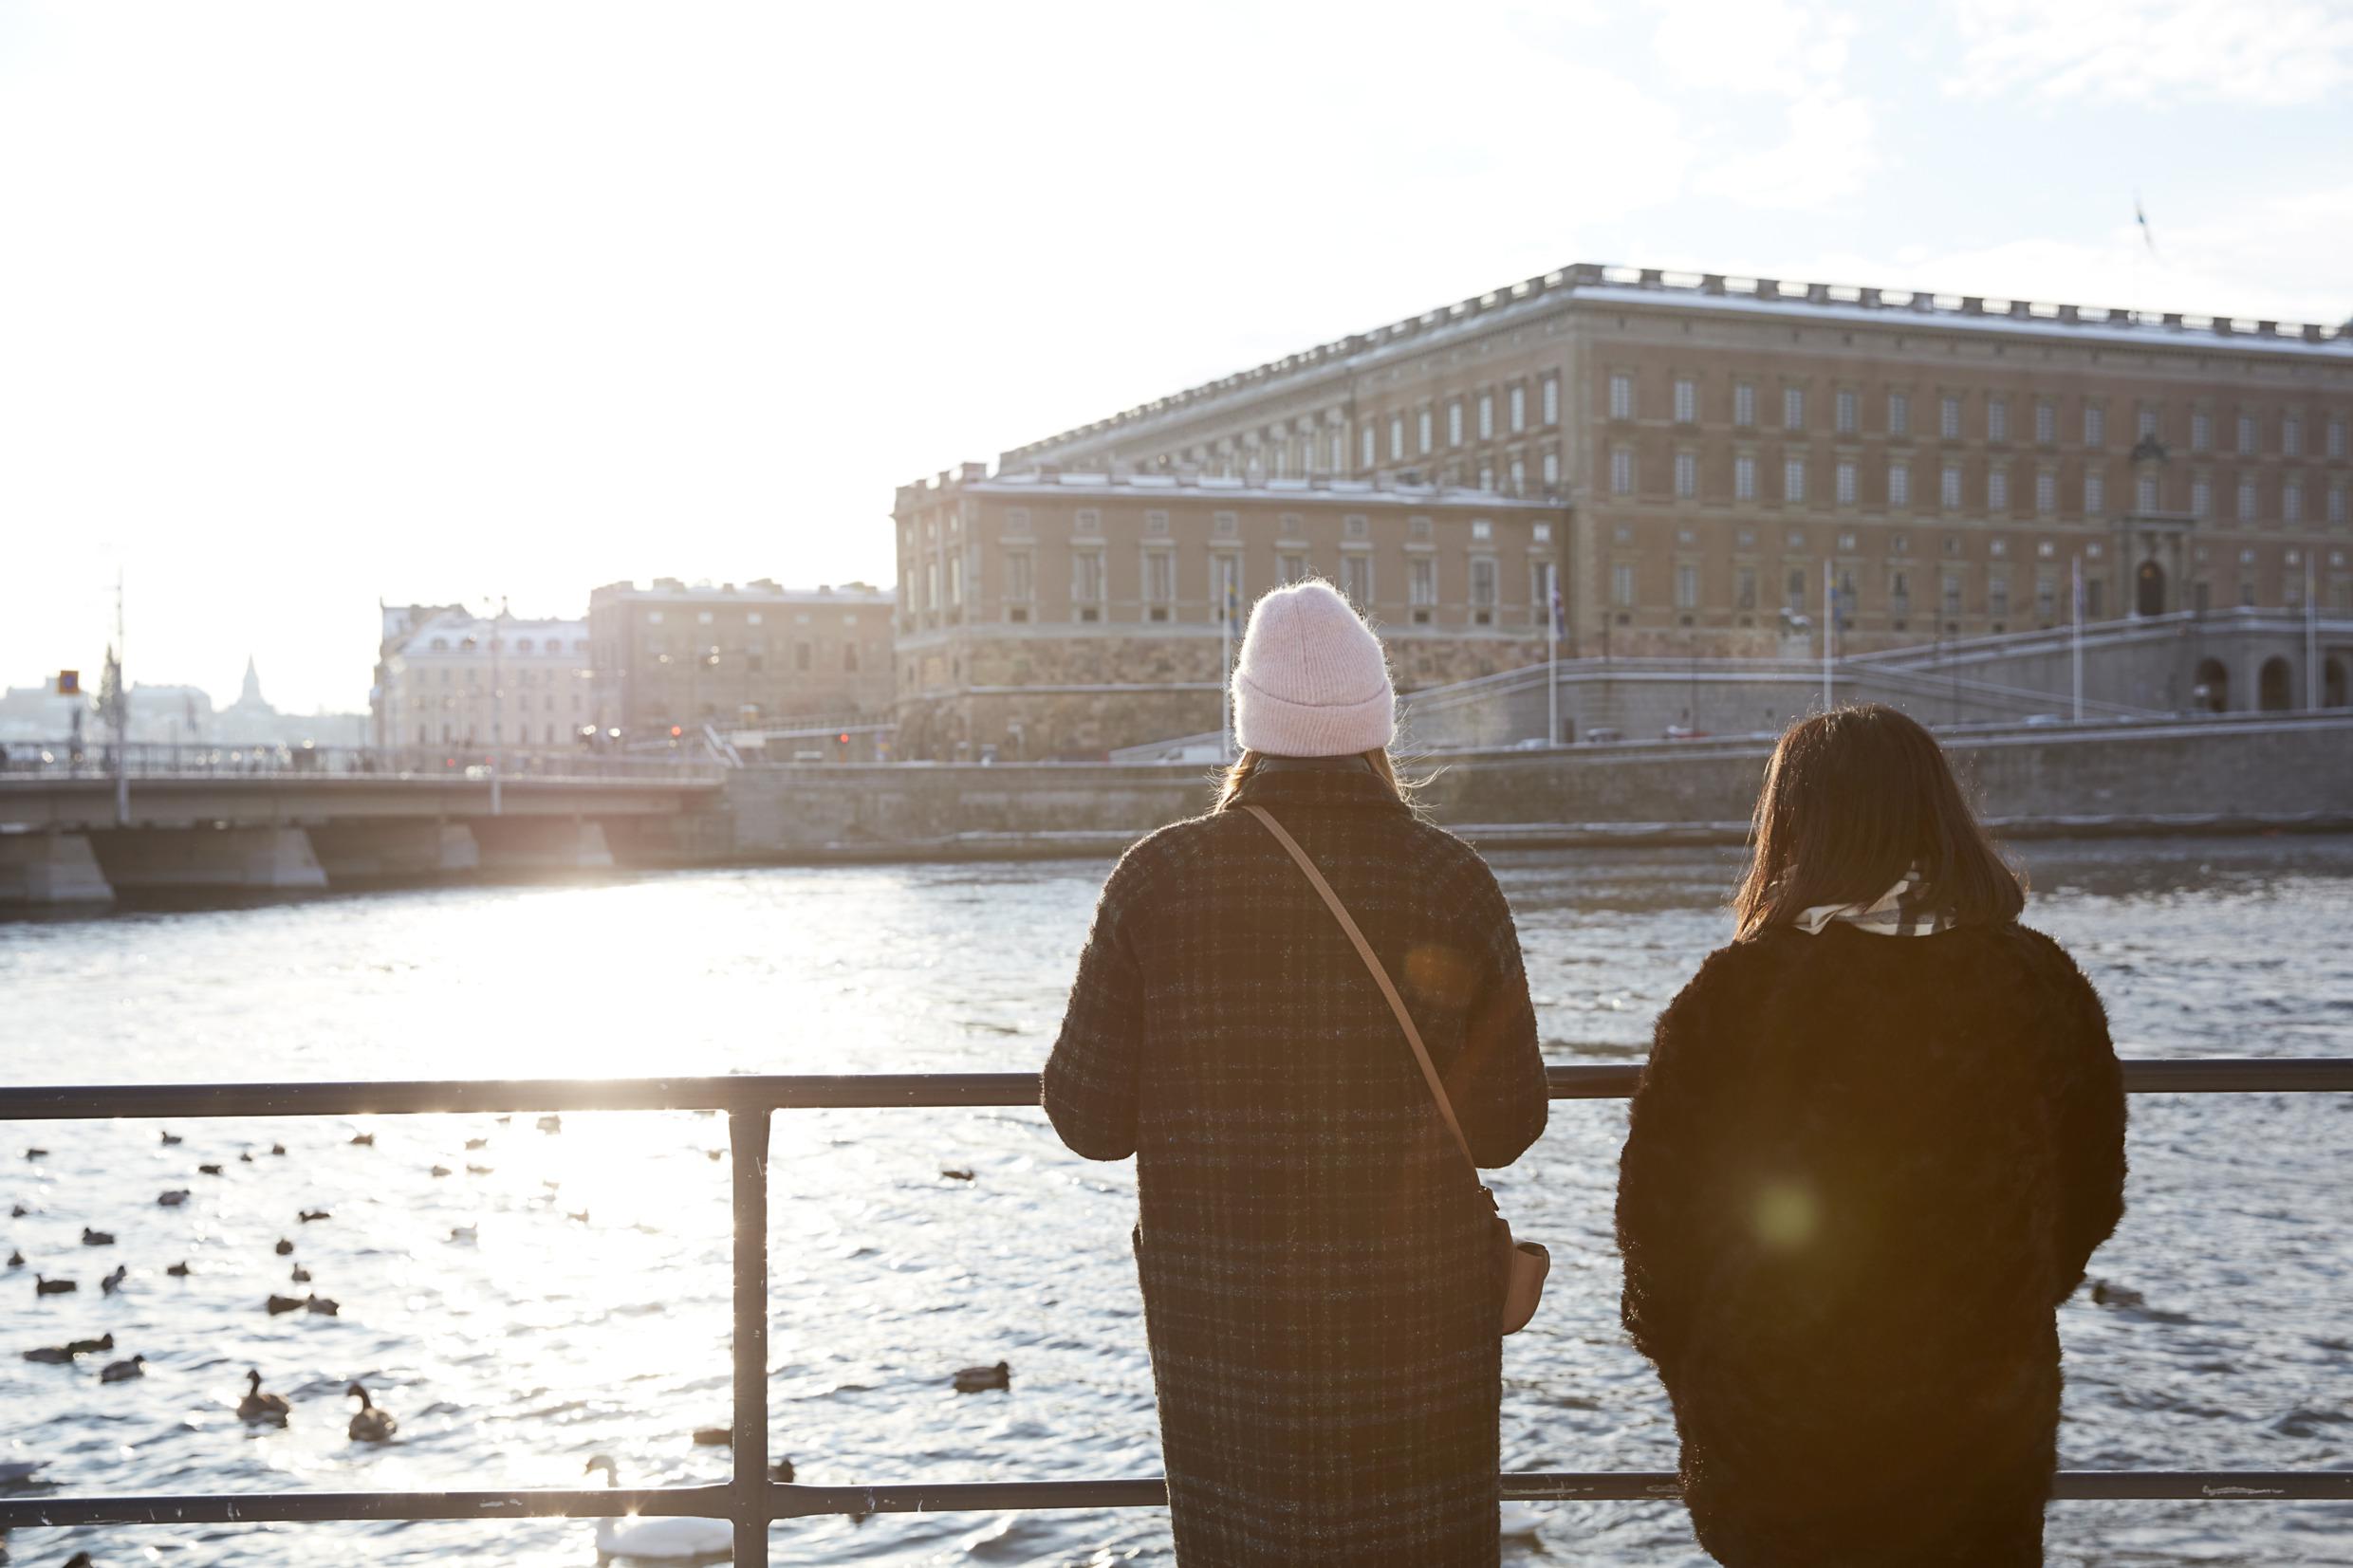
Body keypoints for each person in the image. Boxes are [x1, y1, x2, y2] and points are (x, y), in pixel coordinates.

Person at [1045, 580, 1549, 1568]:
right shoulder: (1447, 877)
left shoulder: (1156, 879)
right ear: (1379, 729)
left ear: (1248, 730)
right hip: (1418, 1326)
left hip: (1226, 1329)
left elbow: (1087, 1121)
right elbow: (1505, 1127)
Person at [1615, 704, 2127, 1565]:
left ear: (1796, 828)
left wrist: (1713, 1386)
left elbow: (1657, 1231)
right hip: (1980, 1434)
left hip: (1780, 1447)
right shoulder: (2041, 985)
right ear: (1938, 812)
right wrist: (1997, 1311)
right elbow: (2088, 1202)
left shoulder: (1735, 995)